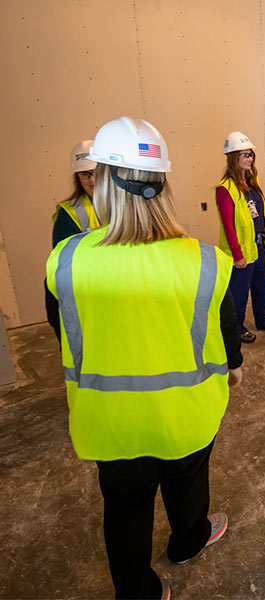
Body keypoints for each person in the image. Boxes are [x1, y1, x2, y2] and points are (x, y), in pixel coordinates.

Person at [45, 117, 242, 600]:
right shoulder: (206, 260)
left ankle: (138, 591)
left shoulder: (67, 259)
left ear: (103, 182)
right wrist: (232, 367)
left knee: (126, 508)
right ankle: (188, 541)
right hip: (187, 415)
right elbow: (229, 340)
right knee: (188, 483)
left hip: (110, 422)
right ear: (163, 183)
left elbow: (61, 327)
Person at [215, 131, 265, 344]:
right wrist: (236, 254)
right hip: (241, 251)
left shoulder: (253, 183)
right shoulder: (225, 189)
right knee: (239, 293)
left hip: (258, 246)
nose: (249, 159)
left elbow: (260, 215)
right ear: (233, 157)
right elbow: (228, 225)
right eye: (244, 155)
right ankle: (237, 328)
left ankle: (263, 319)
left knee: (262, 286)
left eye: (250, 154)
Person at [52, 140, 100, 247]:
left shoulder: (130, 202)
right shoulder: (70, 214)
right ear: (77, 177)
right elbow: (63, 258)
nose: (92, 179)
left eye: (96, 172)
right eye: (85, 174)